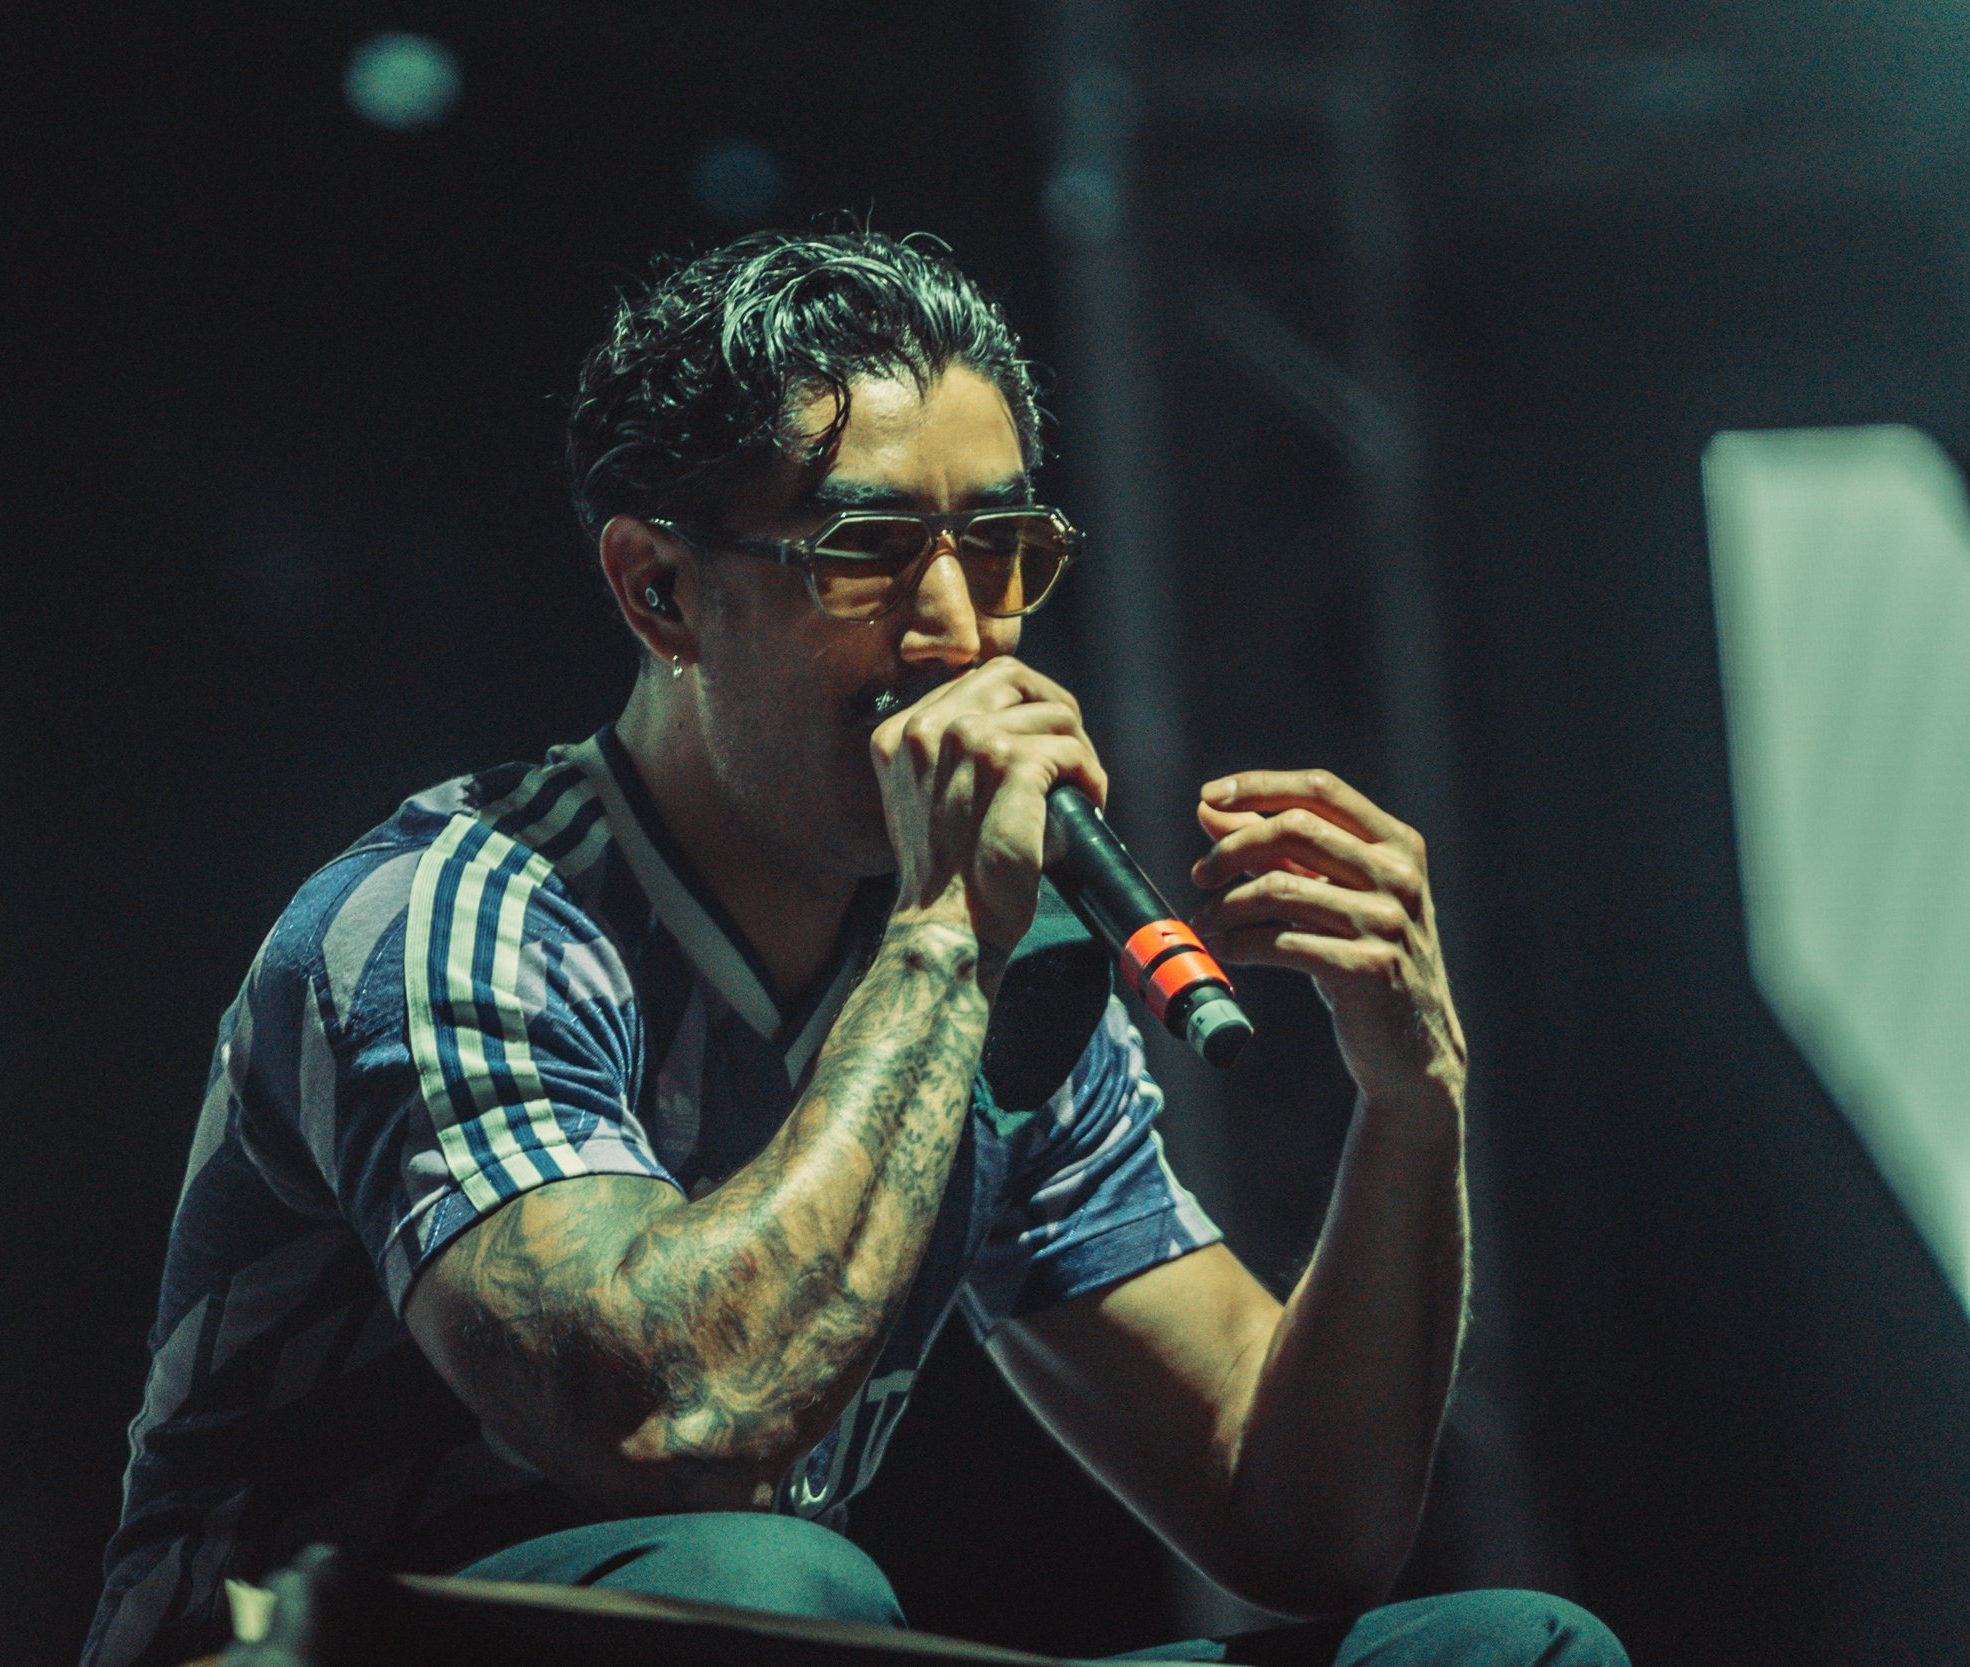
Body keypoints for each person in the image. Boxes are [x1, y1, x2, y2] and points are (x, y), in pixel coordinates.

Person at [81, 230, 1625, 1667]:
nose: (958, 626)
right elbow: (671, 1429)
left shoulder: (1005, 972)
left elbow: (1298, 1523)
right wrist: (944, 933)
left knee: (1515, 1651)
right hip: (318, 1647)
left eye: (1001, 544)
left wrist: (1413, 1097)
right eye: (866, 549)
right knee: (769, 1587)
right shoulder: (450, 920)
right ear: (661, 591)